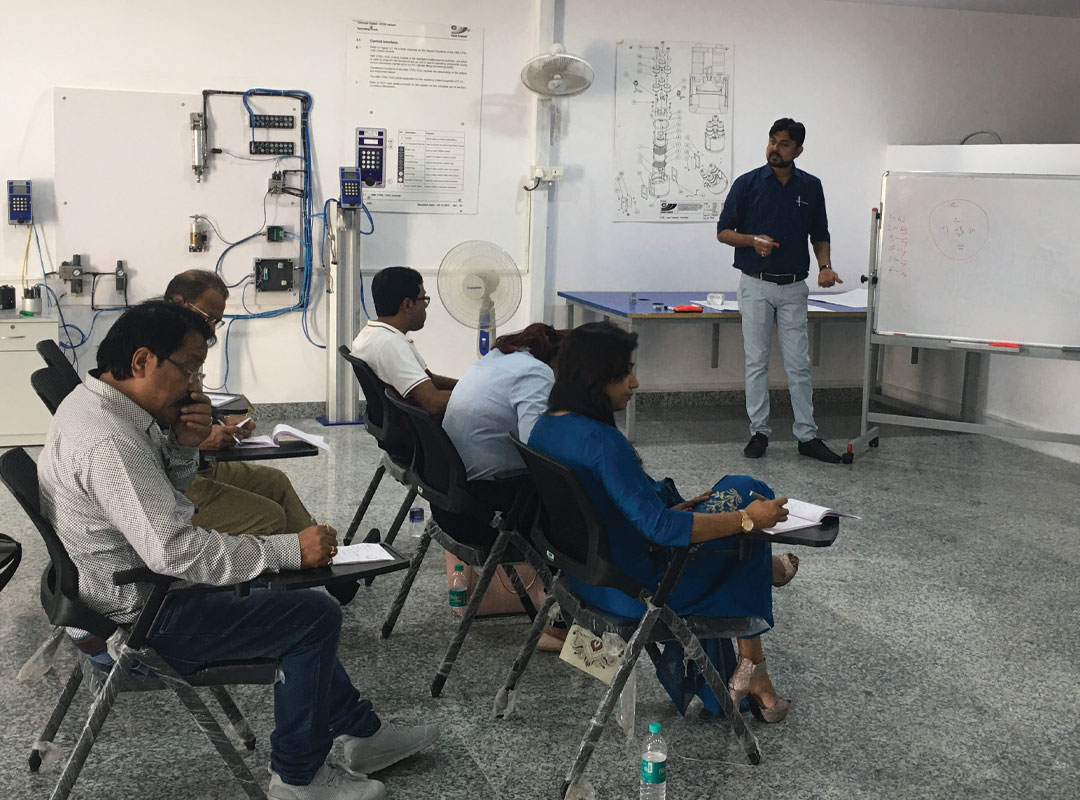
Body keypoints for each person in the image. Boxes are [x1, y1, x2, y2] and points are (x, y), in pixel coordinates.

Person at [38, 301, 438, 800]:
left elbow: (164, 506)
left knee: (294, 611)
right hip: (142, 620)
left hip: (115, 598)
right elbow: (176, 550)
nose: (194, 388)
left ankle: (363, 734)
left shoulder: (93, 402)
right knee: (312, 617)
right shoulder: (108, 440)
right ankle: (298, 780)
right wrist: (288, 550)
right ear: (141, 362)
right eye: (187, 370)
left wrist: (185, 445)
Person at [528, 321, 800, 720]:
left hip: (585, 579)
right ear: (595, 378)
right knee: (747, 502)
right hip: (637, 590)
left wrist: (671, 510)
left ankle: (751, 671)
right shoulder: (601, 442)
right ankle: (754, 668)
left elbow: (611, 512)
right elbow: (660, 530)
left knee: (735, 496)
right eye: (625, 373)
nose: (635, 382)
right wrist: (746, 520)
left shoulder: (546, 426)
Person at [716, 117, 844, 463]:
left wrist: (825, 266)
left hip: (793, 287)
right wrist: (751, 240)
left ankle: (807, 435)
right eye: (772, 141)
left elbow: (820, 232)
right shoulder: (748, 184)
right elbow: (723, 231)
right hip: (756, 284)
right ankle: (759, 432)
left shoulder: (811, 187)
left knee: (798, 364)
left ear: (798, 150)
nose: (775, 148)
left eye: (784, 143)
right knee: (756, 362)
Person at [442, 323, 567, 650]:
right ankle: (558, 627)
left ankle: (557, 616)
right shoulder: (537, 373)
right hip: (484, 511)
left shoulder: (495, 358)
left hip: (450, 503)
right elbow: (538, 451)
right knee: (577, 511)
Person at [164, 269, 316, 535]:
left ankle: (330, 562)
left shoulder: (184, 348)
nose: (211, 329)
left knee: (275, 482)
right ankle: (298, 560)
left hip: (194, 464)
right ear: (178, 304)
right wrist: (198, 441)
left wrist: (219, 422)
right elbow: (148, 434)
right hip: (169, 480)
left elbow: (183, 408)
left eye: (216, 321)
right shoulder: (158, 357)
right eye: (206, 318)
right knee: (269, 517)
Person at [350, 267, 457, 418]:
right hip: (423, 431)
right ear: (407, 305)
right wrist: (479, 398)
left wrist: (466, 386)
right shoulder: (390, 344)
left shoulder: (369, 334)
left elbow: (428, 379)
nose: (425, 307)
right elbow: (432, 402)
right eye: (423, 300)